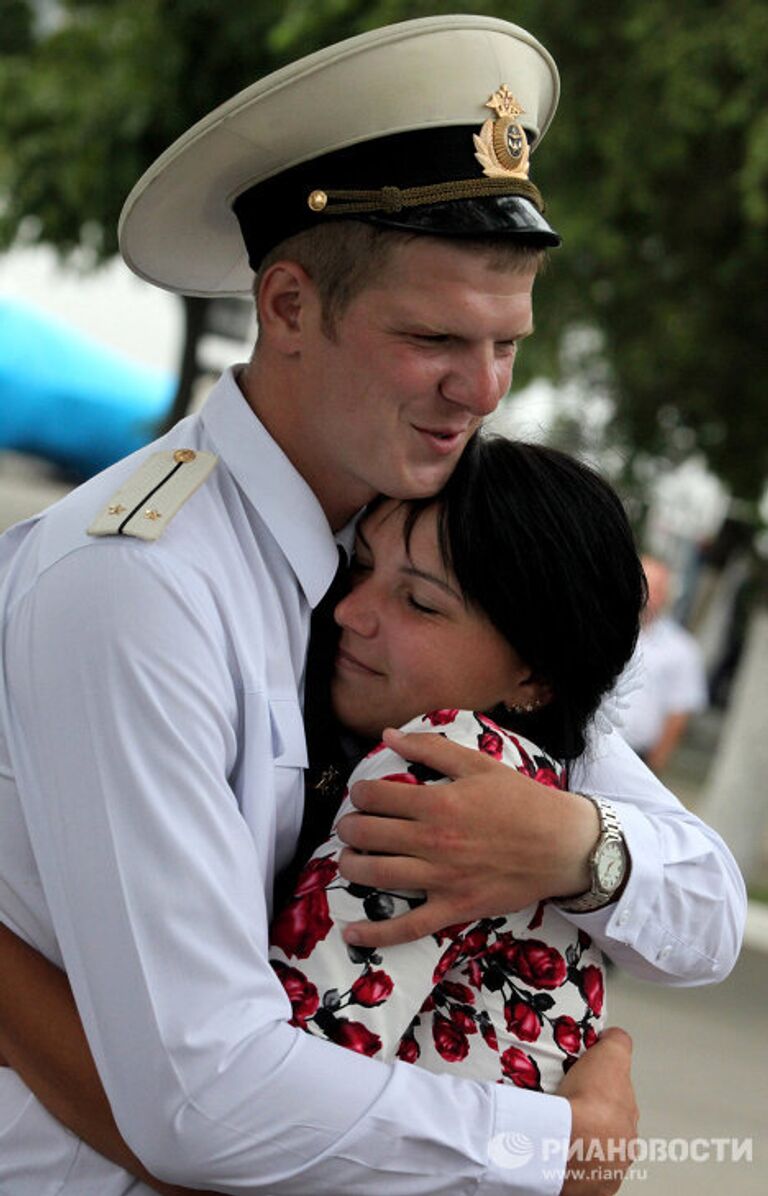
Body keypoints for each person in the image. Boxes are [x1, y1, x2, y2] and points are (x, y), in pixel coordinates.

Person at [0, 15, 743, 1196]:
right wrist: (562, 1148)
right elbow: (207, 1095)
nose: (481, 389)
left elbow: (704, 906)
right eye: (433, 337)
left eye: (508, 343)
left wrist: (569, 844)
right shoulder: (136, 583)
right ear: (287, 305)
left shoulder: (440, 541)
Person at [270, 436, 645, 1094]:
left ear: (538, 677)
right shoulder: (526, 776)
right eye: (359, 568)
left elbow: (283, 1079)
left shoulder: (445, 771)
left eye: (419, 603)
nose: (349, 611)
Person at [619, 555, 708, 773]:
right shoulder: (602, 630)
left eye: (656, 588)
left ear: (667, 595)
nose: (646, 594)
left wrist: (655, 765)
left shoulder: (682, 649)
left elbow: (679, 713)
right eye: (641, 584)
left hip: (635, 757)